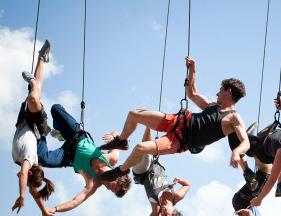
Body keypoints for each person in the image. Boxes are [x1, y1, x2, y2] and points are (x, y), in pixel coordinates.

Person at [99, 56, 250, 182]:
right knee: (134, 114)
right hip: (177, 120)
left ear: (228, 91)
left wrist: (236, 152)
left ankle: (120, 170)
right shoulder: (212, 105)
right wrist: (192, 70)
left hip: (179, 140)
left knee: (140, 148)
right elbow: (191, 93)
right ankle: (122, 140)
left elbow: (245, 141)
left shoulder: (233, 118)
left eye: (220, 89)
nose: (217, 93)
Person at [37, 104, 131, 216]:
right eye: (113, 186)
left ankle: (42, 130)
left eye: (112, 190)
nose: (108, 188)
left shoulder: (94, 184)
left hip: (67, 156)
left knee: (42, 160)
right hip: (76, 136)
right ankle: (58, 129)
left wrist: (55, 209)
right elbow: (116, 134)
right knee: (55, 108)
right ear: (117, 176)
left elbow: (76, 201)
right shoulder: (112, 158)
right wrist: (113, 136)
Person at [125, 127, 200, 216]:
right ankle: (149, 124)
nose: (163, 212)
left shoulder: (156, 209)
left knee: (146, 153)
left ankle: (147, 124)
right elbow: (188, 185)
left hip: (141, 172)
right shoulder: (176, 196)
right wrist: (180, 180)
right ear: (175, 211)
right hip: (155, 162)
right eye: (167, 214)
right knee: (155, 148)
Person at [11, 39, 54, 216]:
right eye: (26, 178)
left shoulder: (21, 161)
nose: (23, 178)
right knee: (33, 97)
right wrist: (21, 196)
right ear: (28, 172)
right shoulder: (29, 159)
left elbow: (34, 192)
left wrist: (43, 210)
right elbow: (23, 176)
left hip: (23, 120)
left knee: (36, 90)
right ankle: (34, 83)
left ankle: (42, 59)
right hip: (36, 124)